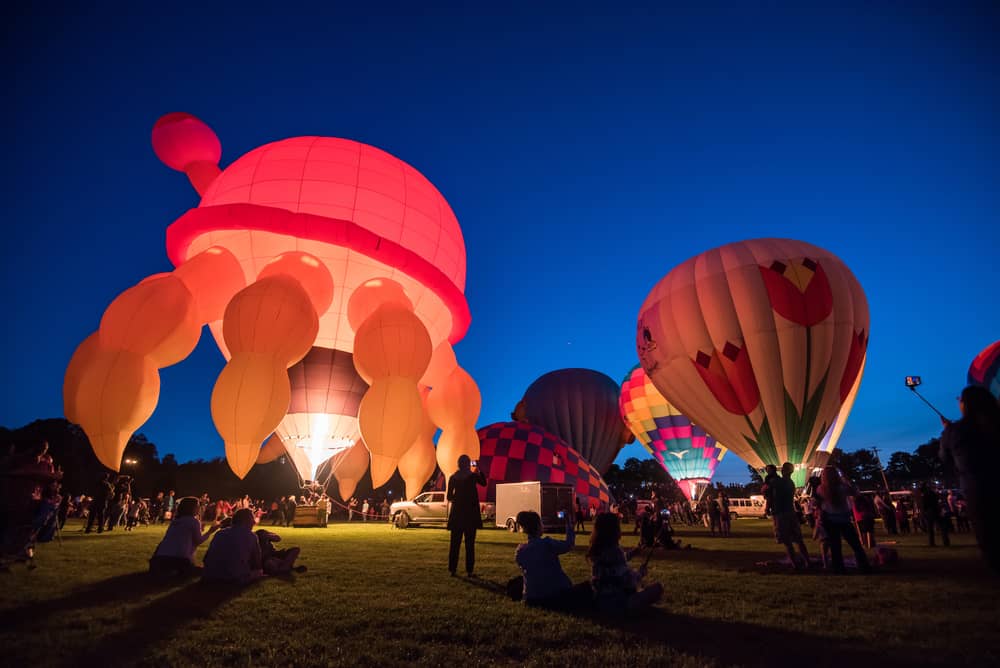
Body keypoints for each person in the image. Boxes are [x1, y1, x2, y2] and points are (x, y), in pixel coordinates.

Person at [940, 385, 1000, 572]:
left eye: (960, 400)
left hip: (978, 491)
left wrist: (948, 432)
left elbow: (944, 457)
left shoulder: (957, 431)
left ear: (966, 404)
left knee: (990, 538)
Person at [511, 509, 591, 609]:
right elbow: (568, 544)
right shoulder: (547, 544)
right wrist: (568, 523)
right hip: (555, 596)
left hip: (531, 599)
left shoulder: (519, 551)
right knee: (588, 587)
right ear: (537, 526)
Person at [588, 512, 663, 614]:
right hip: (620, 604)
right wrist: (641, 573)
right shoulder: (615, 552)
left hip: (600, 602)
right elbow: (628, 580)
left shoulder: (597, 551)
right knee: (657, 588)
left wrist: (634, 552)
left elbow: (616, 563)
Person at [814, 466, 871, 574]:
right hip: (844, 519)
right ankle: (864, 565)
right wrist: (846, 479)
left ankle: (838, 568)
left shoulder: (820, 489)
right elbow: (855, 492)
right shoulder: (843, 487)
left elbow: (818, 504)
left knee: (835, 546)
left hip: (830, 520)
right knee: (855, 544)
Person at [149, 497, 221, 576]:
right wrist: (210, 531)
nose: (199, 508)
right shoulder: (193, 521)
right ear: (192, 508)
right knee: (206, 571)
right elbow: (198, 541)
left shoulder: (175, 521)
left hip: (160, 558)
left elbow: (184, 537)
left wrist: (199, 530)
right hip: (179, 559)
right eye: (197, 506)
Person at [446, 455, 487, 577]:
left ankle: (452, 569)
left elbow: (449, 497)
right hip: (470, 515)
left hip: (457, 515)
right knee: (470, 544)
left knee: (454, 544)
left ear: (458, 464)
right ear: (468, 464)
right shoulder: (473, 476)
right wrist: (478, 470)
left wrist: (458, 500)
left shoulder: (453, 478)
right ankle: (470, 570)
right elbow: (484, 483)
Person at [202, 508, 262, 584]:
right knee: (258, 572)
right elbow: (257, 563)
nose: (254, 522)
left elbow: (206, 559)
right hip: (234, 577)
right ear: (245, 521)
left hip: (210, 575)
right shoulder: (251, 536)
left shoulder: (220, 533)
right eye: (252, 519)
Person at [772, 462, 811, 568]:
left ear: (783, 470)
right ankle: (807, 561)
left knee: (787, 542)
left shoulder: (779, 482)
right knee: (798, 540)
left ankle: (795, 564)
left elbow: (773, 494)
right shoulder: (791, 483)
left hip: (782, 513)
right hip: (791, 513)